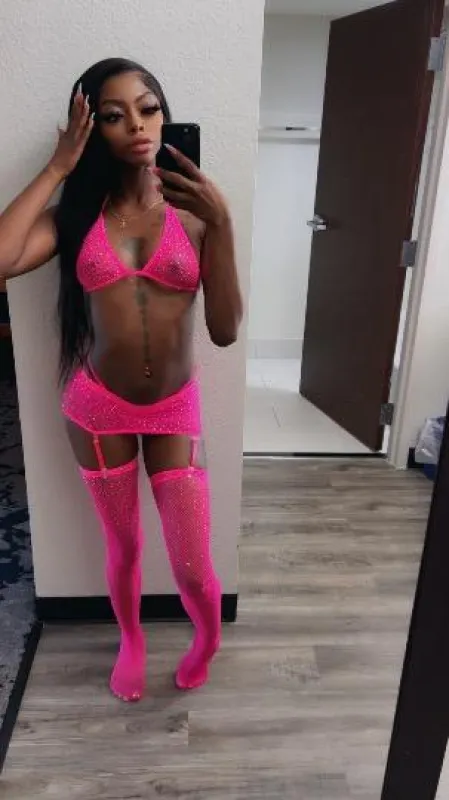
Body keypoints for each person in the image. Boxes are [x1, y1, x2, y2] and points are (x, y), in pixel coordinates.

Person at [0, 58, 242, 702]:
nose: (136, 125)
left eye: (148, 108)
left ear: (165, 116)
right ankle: (131, 641)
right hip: (96, 408)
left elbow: (224, 331)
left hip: (173, 408)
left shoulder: (197, 213)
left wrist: (222, 224)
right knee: (125, 545)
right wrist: (57, 168)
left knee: (192, 565)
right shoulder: (78, 215)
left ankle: (206, 641)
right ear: (92, 130)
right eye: (113, 115)